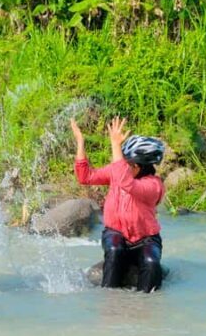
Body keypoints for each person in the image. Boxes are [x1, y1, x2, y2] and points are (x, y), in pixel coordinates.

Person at [70, 116, 165, 292]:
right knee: (114, 249)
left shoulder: (153, 185)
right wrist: (80, 143)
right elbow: (85, 177)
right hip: (116, 233)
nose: (123, 165)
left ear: (139, 166)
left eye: (128, 163)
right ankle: (109, 301)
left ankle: (148, 307)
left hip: (146, 240)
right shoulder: (118, 172)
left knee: (151, 263)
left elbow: (127, 184)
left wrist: (115, 145)